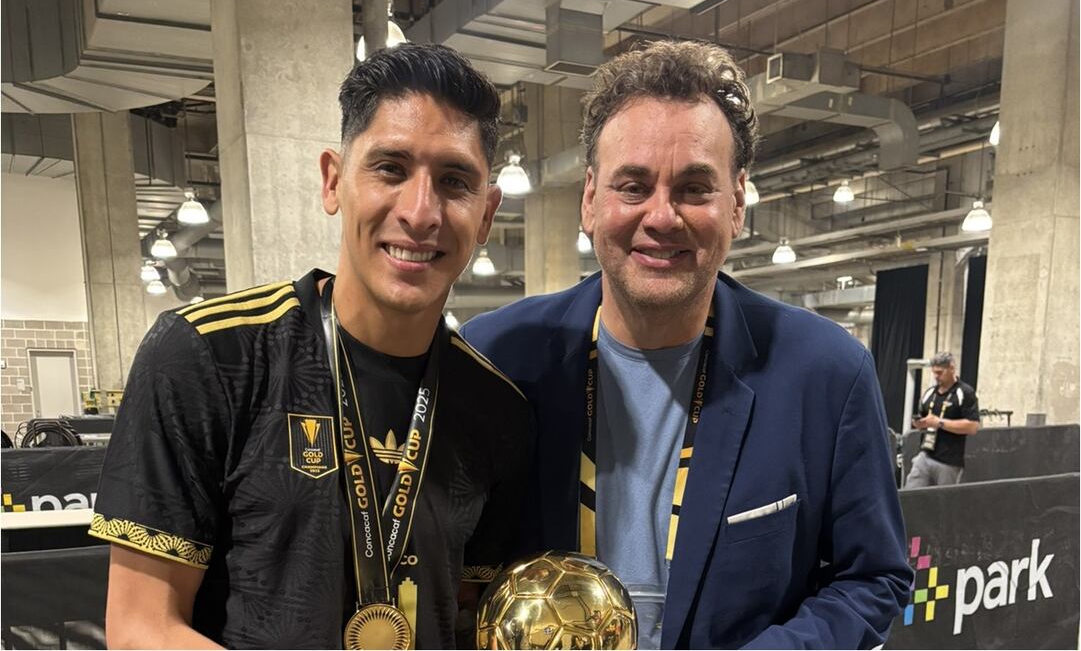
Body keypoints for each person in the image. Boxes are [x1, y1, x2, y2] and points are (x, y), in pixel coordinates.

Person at [462, 40, 912, 649]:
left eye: (695, 187)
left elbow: (873, 577)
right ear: (589, 200)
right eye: (633, 185)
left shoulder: (827, 374)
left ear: (737, 203)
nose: (662, 216)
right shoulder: (495, 360)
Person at [90, 44, 534, 649]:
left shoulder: (497, 409)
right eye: (390, 168)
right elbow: (141, 625)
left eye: (454, 182)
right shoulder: (209, 357)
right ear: (334, 181)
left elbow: (462, 615)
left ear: (486, 216)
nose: (420, 211)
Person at [906, 352, 980, 487]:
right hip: (925, 455)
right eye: (934, 372)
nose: (936, 376)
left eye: (940, 372)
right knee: (910, 495)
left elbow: (973, 426)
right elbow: (924, 418)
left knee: (944, 504)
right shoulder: (929, 393)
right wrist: (919, 423)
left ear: (951, 368)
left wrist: (939, 423)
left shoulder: (965, 393)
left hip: (949, 462)